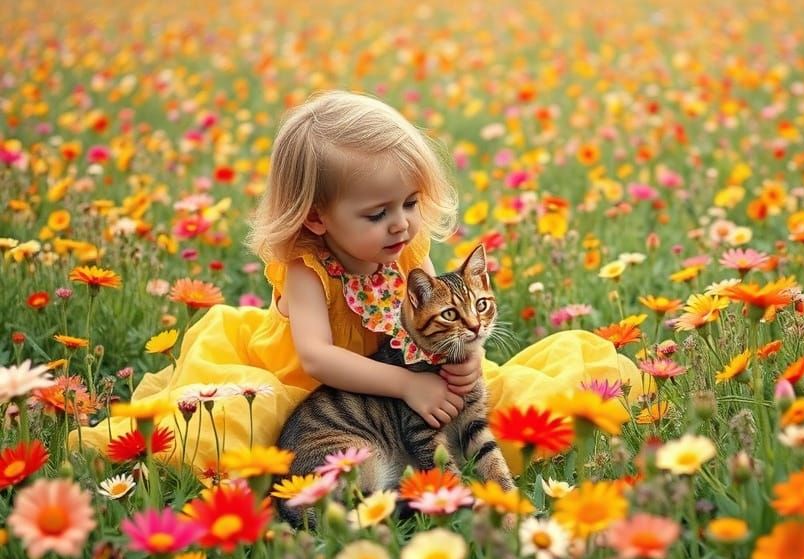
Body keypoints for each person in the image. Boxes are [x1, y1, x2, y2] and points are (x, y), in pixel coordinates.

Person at [73, 90, 642, 474]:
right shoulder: (307, 268)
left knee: (505, 403)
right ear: (317, 217)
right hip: (307, 387)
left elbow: (430, 330)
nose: (401, 223)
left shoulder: (403, 250)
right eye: (377, 213)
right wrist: (407, 388)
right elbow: (319, 359)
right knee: (241, 435)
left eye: (412, 203)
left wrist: (457, 365)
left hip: (400, 374)